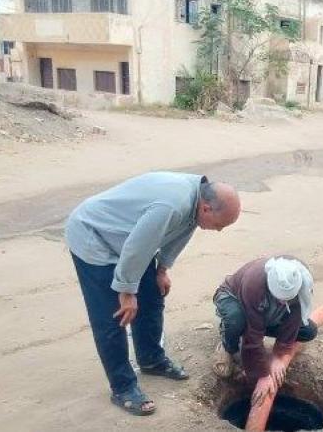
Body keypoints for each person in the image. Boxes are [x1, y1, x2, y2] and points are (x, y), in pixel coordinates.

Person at [66, 172, 241, 416]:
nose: (219, 230)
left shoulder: (194, 200)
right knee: (114, 315)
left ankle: (151, 359)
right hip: (95, 235)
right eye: (220, 224)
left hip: (128, 238)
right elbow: (138, 246)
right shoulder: (171, 205)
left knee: (152, 294)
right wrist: (126, 291)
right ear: (206, 208)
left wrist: (162, 269)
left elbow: (182, 231)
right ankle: (123, 387)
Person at [213, 256, 318, 406]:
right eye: (281, 297)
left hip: (269, 310)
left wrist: (279, 355)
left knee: (308, 331)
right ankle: (227, 347)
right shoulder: (254, 283)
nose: (284, 302)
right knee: (235, 320)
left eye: (287, 299)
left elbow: (294, 318)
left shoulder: (302, 281)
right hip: (234, 299)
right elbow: (253, 333)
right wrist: (262, 375)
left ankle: (262, 349)